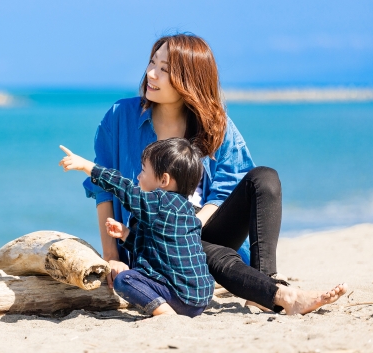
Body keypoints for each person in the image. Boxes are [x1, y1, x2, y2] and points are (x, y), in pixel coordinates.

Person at [82, 33, 346, 315]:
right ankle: (279, 295)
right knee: (196, 246)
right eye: (151, 62)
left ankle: (264, 283)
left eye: (164, 69)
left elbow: (228, 186)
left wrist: (190, 225)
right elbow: (104, 189)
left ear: (190, 79)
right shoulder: (120, 116)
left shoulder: (215, 123)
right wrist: (111, 256)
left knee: (265, 178)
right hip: (152, 243)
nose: (150, 73)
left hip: (203, 226)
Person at [59, 138, 213, 317]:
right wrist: (126, 235)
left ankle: (165, 314)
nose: (138, 176)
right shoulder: (186, 210)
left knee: (125, 279)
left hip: (180, 297)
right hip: (200, 298)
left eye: (143, 170)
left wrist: (87, 166)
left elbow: (123, 188)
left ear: (164, 180)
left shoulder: (158, 202)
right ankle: (168, 310)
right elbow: (158, 251)